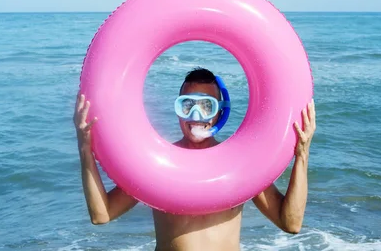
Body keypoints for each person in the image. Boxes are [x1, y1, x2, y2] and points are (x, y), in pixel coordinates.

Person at [74, 67, 316, 251]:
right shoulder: (159, 164)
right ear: (178, 110)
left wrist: (301, 155)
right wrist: (85, 148)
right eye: (187, 105)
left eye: (206, 106)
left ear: (220, 112)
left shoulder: (238, 163)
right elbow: (101, 214)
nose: (196, 115)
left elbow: (290, 223)